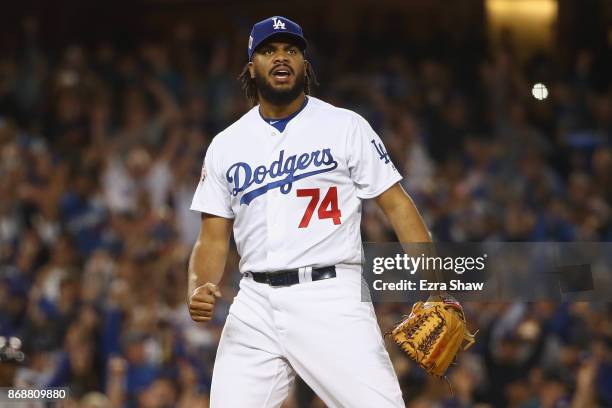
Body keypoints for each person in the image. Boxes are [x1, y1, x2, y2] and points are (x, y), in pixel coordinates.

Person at [187, 15, 432, 407]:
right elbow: (212, 237)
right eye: (268, 50)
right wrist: (198, 285)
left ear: (305, 64)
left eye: (291, 50)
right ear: (252, 65)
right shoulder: (226, 145)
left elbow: (398, 205)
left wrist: (435, 284)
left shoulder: (345, 126)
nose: (281, 57)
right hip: (254, 304)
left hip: (331, 295)